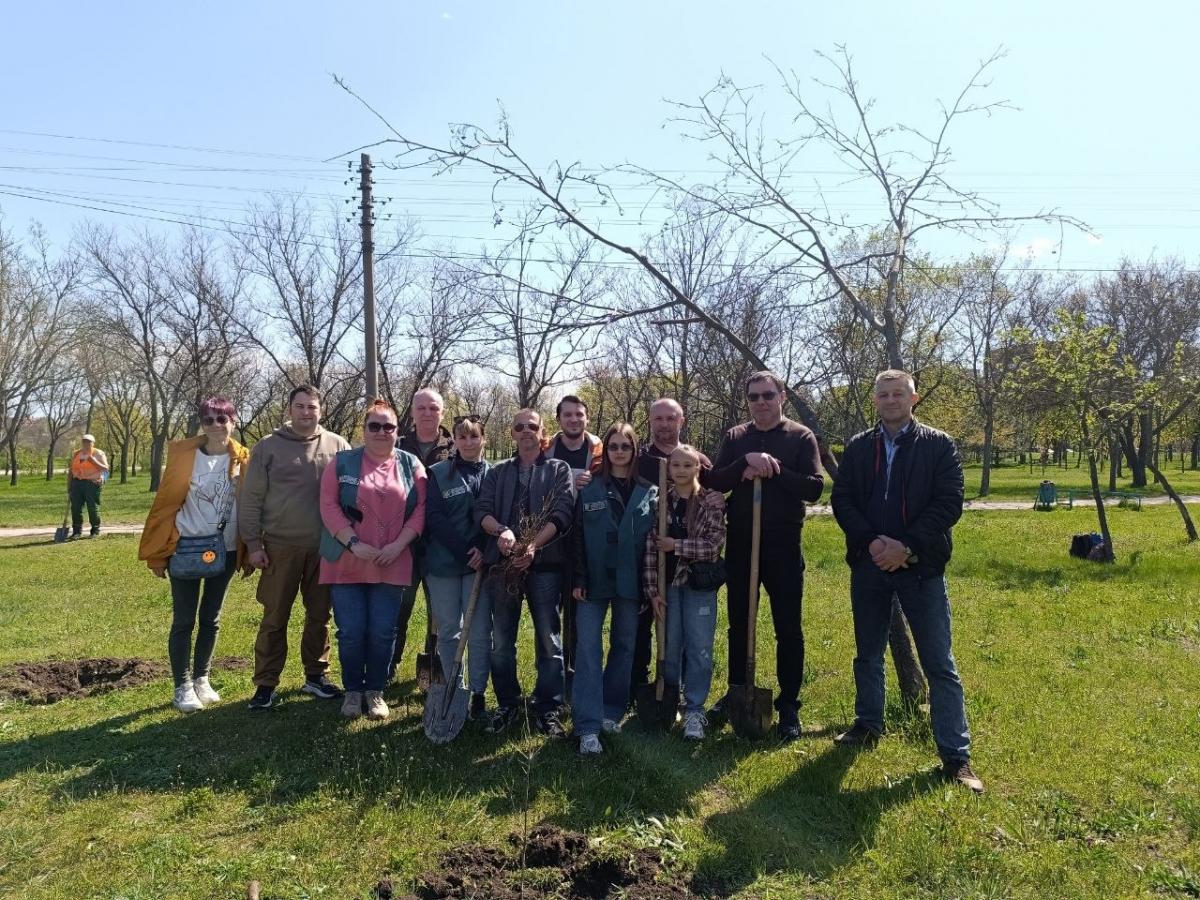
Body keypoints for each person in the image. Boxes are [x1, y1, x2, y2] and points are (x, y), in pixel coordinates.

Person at [829, 369, 983, 793]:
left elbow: (949, 501)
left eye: (899, 393)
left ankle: (956, 756)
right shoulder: (860, 447)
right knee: (868, 653)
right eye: (883, 394)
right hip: (869, 564)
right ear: (874, 401)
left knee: (940, 664)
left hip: (922, 568)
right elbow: (841, 498)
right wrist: (872, 542)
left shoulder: (938, 444)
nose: (891, 400)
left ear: (914, 398)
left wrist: (907, 547)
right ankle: (867, 725)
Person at [706, 371, 824, 742]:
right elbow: (715, 481)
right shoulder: (736, 437)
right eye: (754, 396)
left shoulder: (800, 437)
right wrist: (746, 462)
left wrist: (773, 469)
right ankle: (737, 690)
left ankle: (789, 705)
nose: (760, 402)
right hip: (741, 541)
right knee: (740, 621)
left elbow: (815, 488)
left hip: (783, 543)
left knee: (788, 626)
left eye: (767, 395)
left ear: (782, 397)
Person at [240, 384, 350, 711]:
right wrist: (252, 544)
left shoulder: (337, 445)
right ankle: (266, 683)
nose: (306, 412)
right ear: (289, 410)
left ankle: (316, 676)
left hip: (325, 549)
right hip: (279, 547)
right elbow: (251, 499)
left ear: (321, 410)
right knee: (275, 617)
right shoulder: (268, 447)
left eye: (312, 407)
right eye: (300, 406)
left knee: (320, 616)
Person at [139, 398, 249, 713]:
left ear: (234, 421)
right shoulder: (184, 457)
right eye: (208, 419)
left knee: (211, 619)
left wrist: (252, 550)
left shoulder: (244, 459)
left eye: (222, 419)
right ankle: (182, 685)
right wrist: (158, 556)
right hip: (186, 547)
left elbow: (254, 504)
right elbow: (164, 506)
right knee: (184, 620)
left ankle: (202, 678)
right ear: (201, 424)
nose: (215, 425)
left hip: (225, 549)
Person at [319, 399, 426, 720]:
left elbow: (421, 510)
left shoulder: (412, 466)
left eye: (388, 426)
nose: (381, 432)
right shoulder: (341, 463)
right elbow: (328, 505)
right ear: (363, 430)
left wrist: (399, 545)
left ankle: (375, 690)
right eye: (374, 426)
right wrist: (353, 543)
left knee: (383, 631)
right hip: (347, 561)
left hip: (392, 561)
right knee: (351, 631)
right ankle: (353, 691)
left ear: (397, 431)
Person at [475, 408, 575, 737]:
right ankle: (508, 702)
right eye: (519, 426)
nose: (526, 431)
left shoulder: (558, 468)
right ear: (512, 433)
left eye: (532, 425)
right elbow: (482, 511)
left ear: (542, 431)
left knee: (549, 640)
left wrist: (533, 545)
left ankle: (548, 706)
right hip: (503, 567)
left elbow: (562, 511)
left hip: (545, 567)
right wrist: (502, 531)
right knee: (501, 641)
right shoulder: (498, 471)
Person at [570, 423, 657, 756]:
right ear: (604, 450)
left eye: (626, 446)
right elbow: (577, 536)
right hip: (592, 582)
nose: (619, 451)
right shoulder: (589, 487)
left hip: (630, 583)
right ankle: (587, 726)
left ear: (635, 450)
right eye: (614, 446)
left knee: (624, 646)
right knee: (589, 649)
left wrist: (648, 588)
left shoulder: (649, 490)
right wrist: (578, 578)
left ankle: (611, 711)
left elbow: (651, 544)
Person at [633, 397, 717, 696]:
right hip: (649, 563)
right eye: (658, 418)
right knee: (650, 631)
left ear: (681, 421)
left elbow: (713, 502)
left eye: (671, 418)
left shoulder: (701, 461)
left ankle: (685, 695)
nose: (664, 424)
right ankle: (646, 688)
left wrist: (723, 499)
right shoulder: (639, 459)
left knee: (693, 636)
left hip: (692, 573)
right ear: (651, 421)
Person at [643, 444, 726, 740]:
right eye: (675, 465)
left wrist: (676, 546)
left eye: (687, 465)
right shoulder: (659, 503)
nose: (680, 470)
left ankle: (695, 709)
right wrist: (652, 590)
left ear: (697, 469)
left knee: (700, 649)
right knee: (669, 645)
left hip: (697, 586)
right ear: (669, 469)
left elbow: (713, 546)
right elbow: (651, 551)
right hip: (667, 587)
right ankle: (669, 700)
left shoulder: (710, 503)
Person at [425, 414, 491, 721]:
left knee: (479, 631)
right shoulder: (438, 473)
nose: (468, 443)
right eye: (462, 437)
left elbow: (500, 514)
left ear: (483, 439)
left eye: (474, 436)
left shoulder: (495, 473)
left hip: (482, 566)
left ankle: (477, 692)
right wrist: (466, 551)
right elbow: (434, 517)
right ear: (454, 441)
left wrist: (484, 550)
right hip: (444, 564)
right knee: (450, 630)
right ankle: (455, 687)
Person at [392, 387, 455, 680]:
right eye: (422, 408)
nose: (427, 413)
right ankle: (389, 666)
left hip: (440, 543)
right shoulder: (396, 445)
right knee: (398, 608)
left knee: (440, 613)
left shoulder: (455, 448)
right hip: (403, 541)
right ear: (413, 411)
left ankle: (436, 664)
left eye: (433, 408)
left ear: (442, 412)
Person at [547, 394, 603, 699]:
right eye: (567, 415)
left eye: (578, 414)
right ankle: (554, 678)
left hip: (588, 537)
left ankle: (579, 676)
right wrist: (568, 477)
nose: (573, 420)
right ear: (558, 420)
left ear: (587, 418)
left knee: (581, 611)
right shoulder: (546, 449)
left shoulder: (600, 450)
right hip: (551, 537)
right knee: (550, 612)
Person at [67, 434, 109, 539]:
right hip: (77, 483)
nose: (86, 443)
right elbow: (71, 471)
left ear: (93, 443)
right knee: (75, 508)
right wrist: (69, 485)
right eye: (84, 441)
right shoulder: (76, 454)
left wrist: (94, 461)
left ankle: (95, 530)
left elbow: (105, 468)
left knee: (92, 508)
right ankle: (77, 531)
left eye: (89, 442)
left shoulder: (98, 453)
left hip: (91, 484)